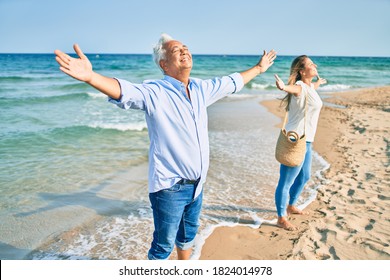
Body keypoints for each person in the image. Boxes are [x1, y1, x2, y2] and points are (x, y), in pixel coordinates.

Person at [54, 33, 277, 259]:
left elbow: (232, 82)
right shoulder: (155, 92)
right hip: (170, 189)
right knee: (162, 247)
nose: (184, 51)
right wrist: (91, 77)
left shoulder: (202, 88)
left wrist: (259, 68)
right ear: (164, 64)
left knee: (187, 236)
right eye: (175, 50)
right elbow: (125, 91)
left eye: (185, 48)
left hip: (197, 185)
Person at [274, 55, 327, 231]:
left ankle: (291, 206)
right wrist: (283, 86)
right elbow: (293, 88)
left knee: (304, 176)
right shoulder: (299, 87)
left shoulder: (310, 86)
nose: (315, 65)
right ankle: (281, 217)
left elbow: (312, 87)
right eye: (311, 64)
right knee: (286, 180)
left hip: (307, 140)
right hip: (295, 140)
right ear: (302, 71)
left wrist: (320, 82)